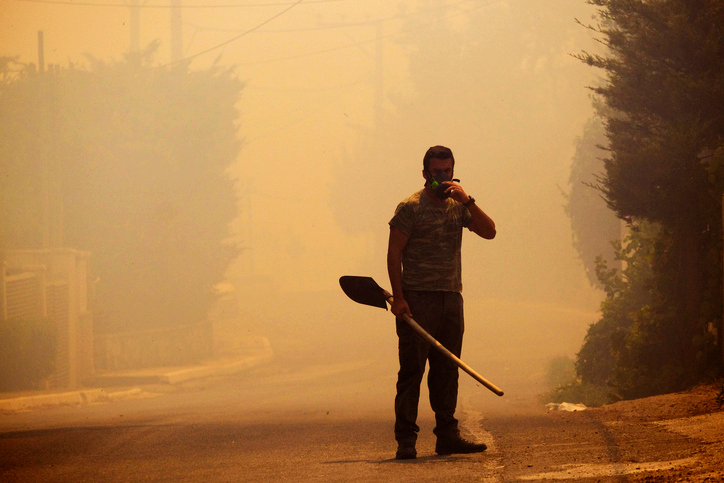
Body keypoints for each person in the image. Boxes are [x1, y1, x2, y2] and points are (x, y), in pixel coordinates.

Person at [387, 145, 496, 460]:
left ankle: (447, 436)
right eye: (437, 172)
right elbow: (394, 253)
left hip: (451, 297)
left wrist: (468, 201)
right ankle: (406, 441)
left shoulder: (458, 205)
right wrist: (399, 298)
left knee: (447, 370)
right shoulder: (410, 208)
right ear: (425, 174)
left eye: (447, 171)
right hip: (417, 299)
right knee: (412, 371)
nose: (443, 177)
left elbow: (490, 232)